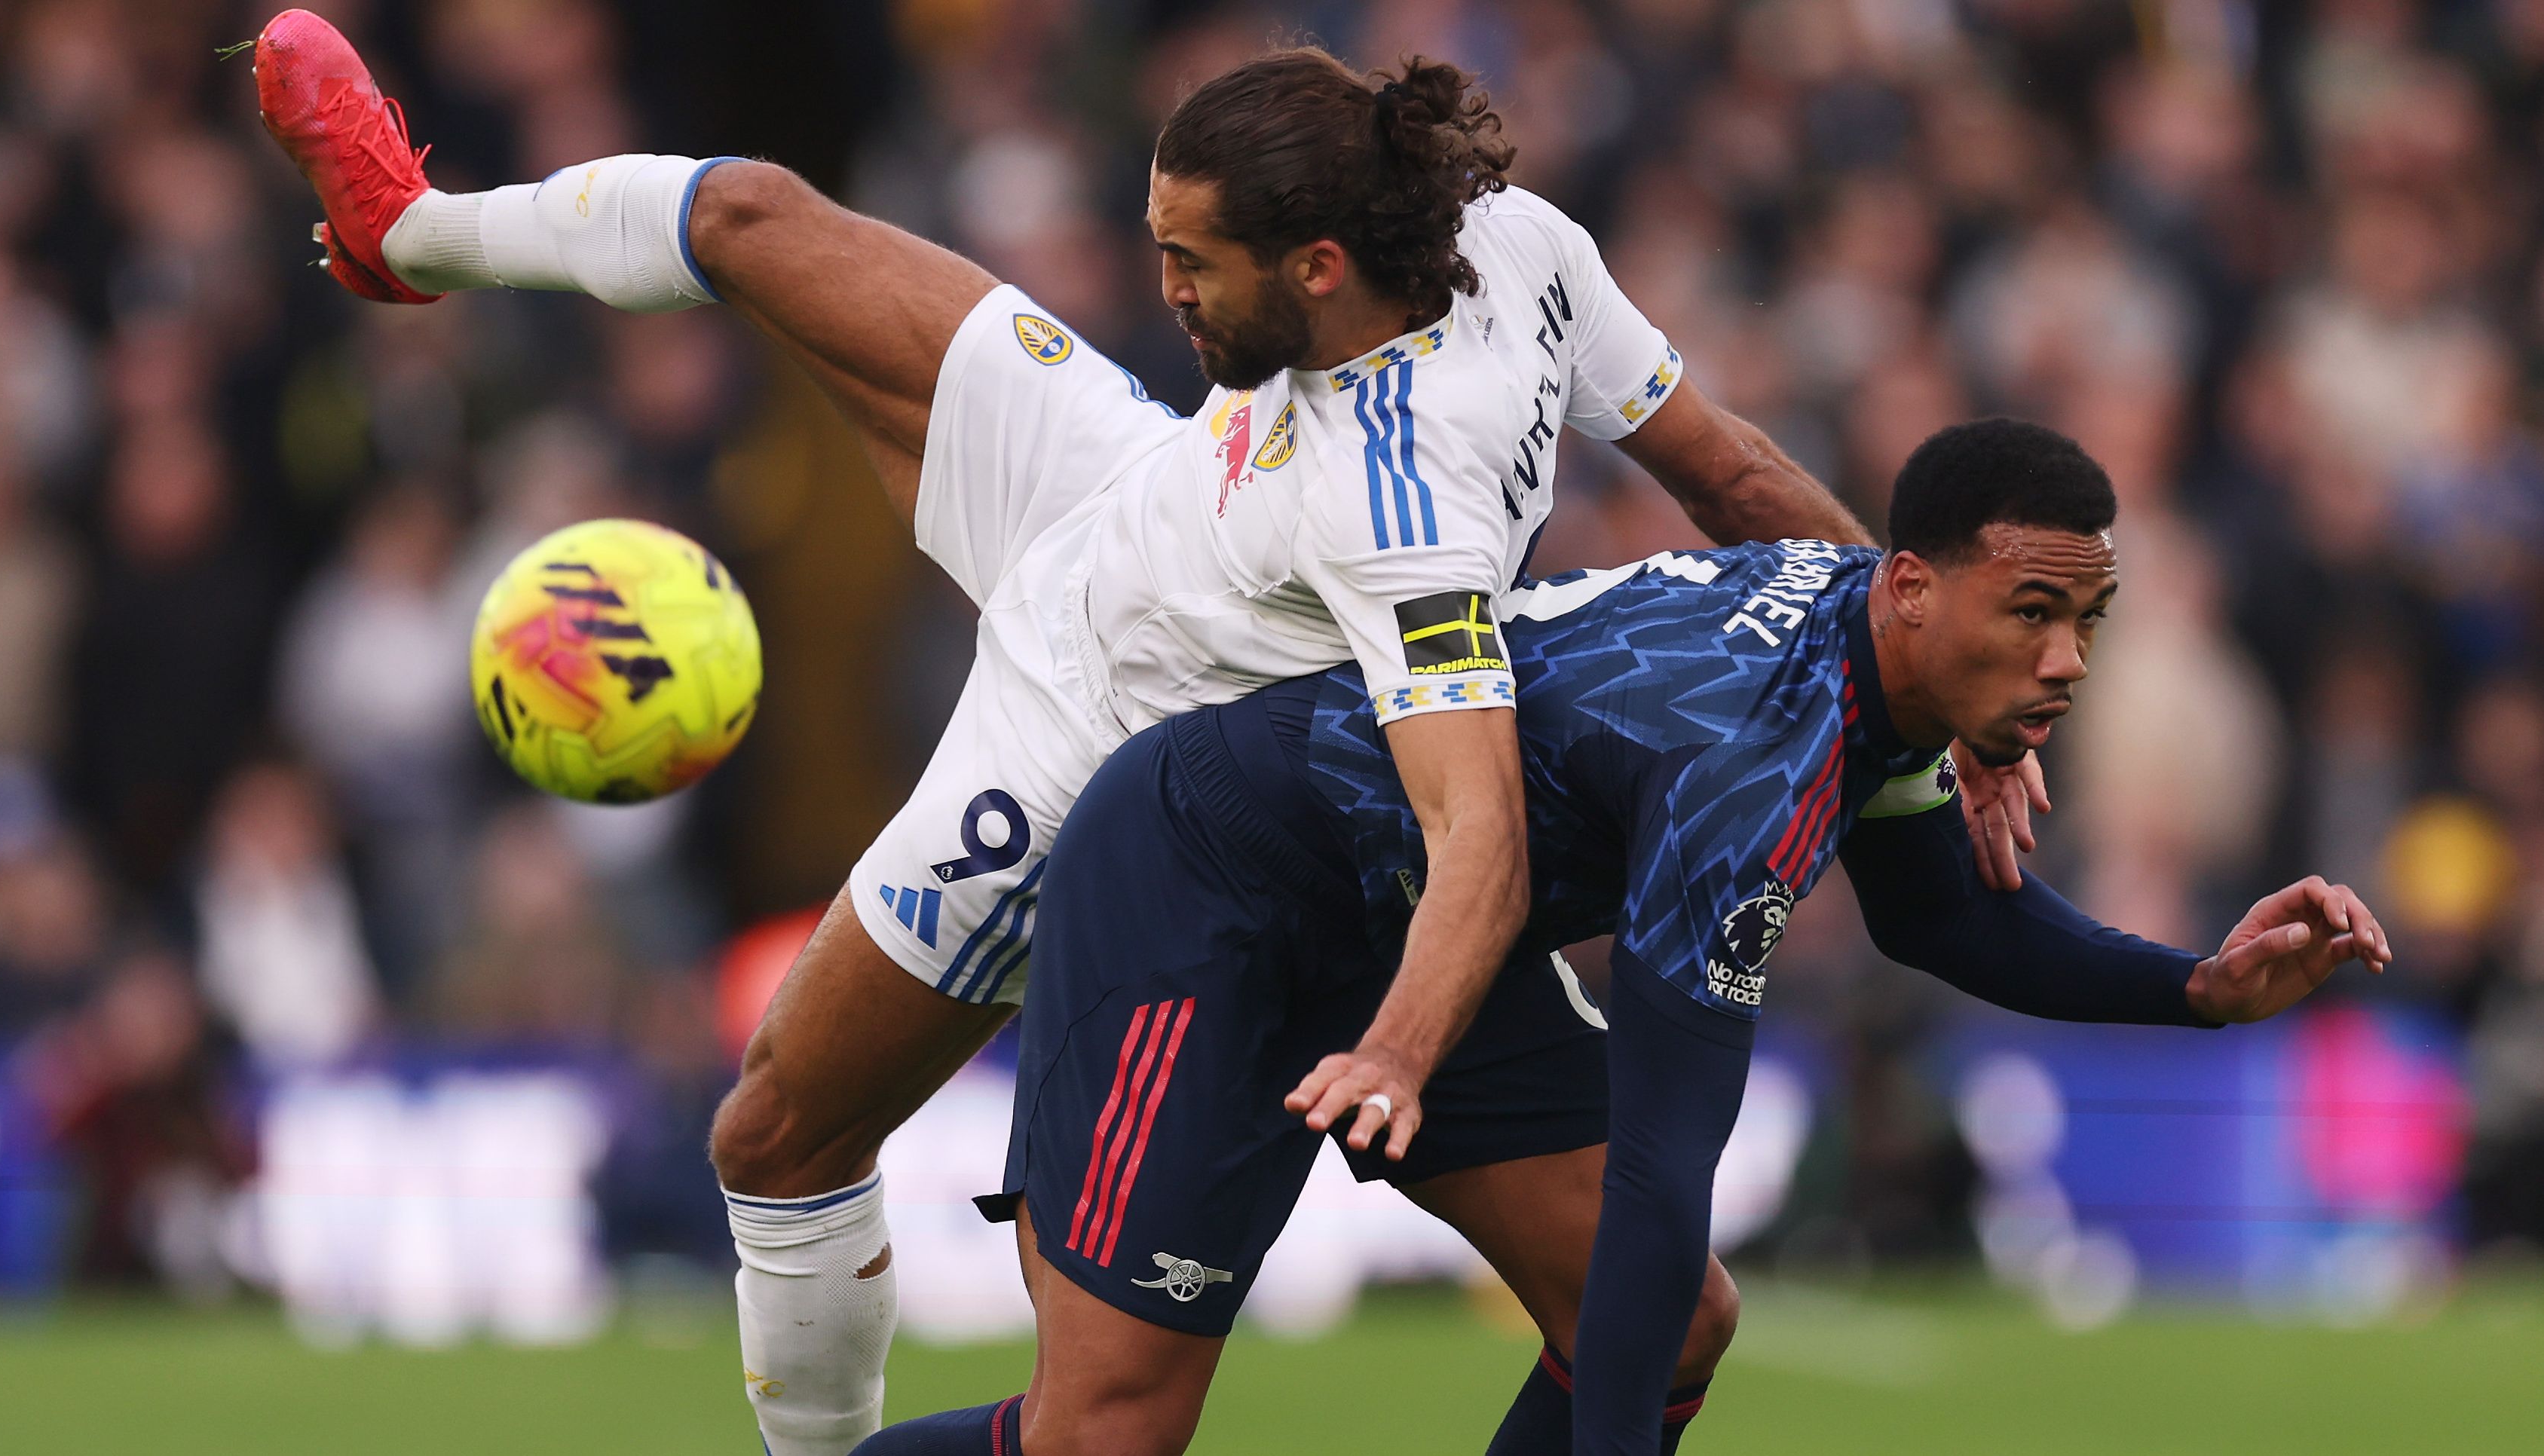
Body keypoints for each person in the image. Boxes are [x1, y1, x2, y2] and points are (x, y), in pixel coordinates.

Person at [247, 14, 1905, 1453]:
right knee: (751, 214)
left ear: (1317, 268)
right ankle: (414, 231)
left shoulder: (1402, 498)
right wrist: (1919, 696)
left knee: (778, 1133)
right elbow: (1739, 478)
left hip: (1104, 754)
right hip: (1118, 482)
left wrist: (1400, 1054)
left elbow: (1480, 833)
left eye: (1192, 262)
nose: (1158, 283)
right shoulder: (1514, 241)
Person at [865, 418, 2392, 1454]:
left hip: (1428, 917)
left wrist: (2198, 988)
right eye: (2032, 613)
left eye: (2086, 622)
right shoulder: (1746, 771)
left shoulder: (1870, 655)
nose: (2065, 662)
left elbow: (1941, 917)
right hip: (1210, 880)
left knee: (1663, 1328)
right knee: (1107, 1436)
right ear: (1915, 589)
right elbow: (1667, 1164)